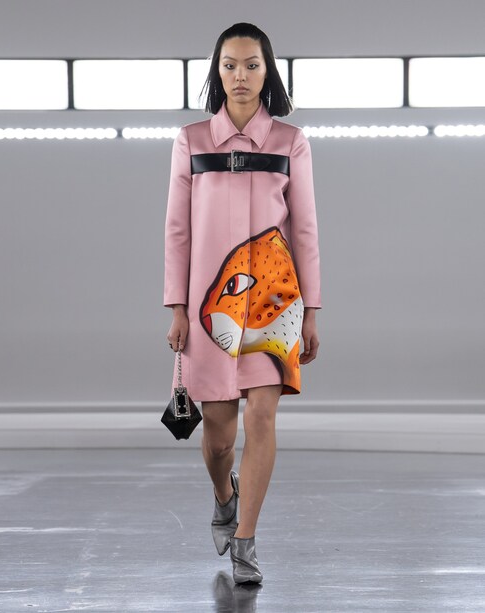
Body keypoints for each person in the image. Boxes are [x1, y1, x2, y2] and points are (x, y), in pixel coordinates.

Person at [163, 22, 321, 584]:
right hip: (210, 305)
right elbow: (177, 230)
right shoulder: (191, 141)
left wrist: (313, 310)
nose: (240, 75)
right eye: (229, 65)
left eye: (252, 65)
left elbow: (304, 229)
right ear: (217, 71)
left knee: (263, 415)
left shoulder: (290, 142)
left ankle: (246, 541)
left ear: (267, 71)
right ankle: (223, 496)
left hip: (276, 306)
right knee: (219, 437)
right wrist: (176, 307)